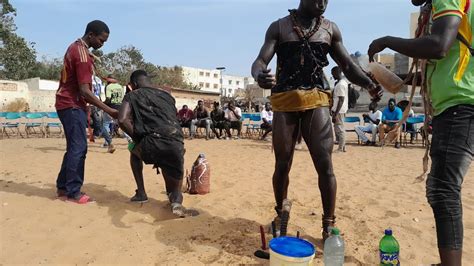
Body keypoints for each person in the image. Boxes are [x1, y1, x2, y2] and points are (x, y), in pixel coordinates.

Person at [251, 0, 382, 240]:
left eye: (326, 0)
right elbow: (260, 61)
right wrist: (259, 75)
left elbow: (348, 65)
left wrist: (369, 83)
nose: (322, 4)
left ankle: (328, 223)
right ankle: (281, 215)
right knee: (282, 163)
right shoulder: (279, 27)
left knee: (325, 166)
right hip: (285, 101)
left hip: (317, 99)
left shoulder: (330, 29)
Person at [369, 0, 473, 263]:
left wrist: (388, 40)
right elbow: (440, 63)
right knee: (445, 189)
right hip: (456, 106)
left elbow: (439, 46)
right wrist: (398, 80)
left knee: (443, 190)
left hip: (462, 105)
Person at [55, 20, 117, 204]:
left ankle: (62, 186)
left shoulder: (76, 48)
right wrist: (109, 110)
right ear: (90, 35)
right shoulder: (82, 54)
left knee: (73, 147)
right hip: (72, 104)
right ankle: (73, 191)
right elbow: (84, 91)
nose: (102, 44)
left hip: (69, 104)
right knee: (79, 149)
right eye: (101, 40)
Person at [118, 70, 195, 217]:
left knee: (132, 150)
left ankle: (141, 192)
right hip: (176, 143)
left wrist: (138, 138)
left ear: (133, 84)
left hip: (152, 144)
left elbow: (122, 119)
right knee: (173, 189)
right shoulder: (167, 96)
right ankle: (176, 202)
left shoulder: (132, 95)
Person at [330, 66, 349, 152]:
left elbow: (341, 100)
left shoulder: (341, 84)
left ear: (337, 73)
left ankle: (341, 148)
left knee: (340, 129)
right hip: (339, 110)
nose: (332, 76)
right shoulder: (341, 83)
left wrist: (335, 113)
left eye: (333, 74)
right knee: (338, 128)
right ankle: (343, 147)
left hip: (339, 111)